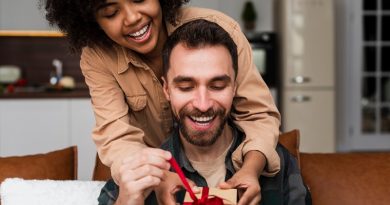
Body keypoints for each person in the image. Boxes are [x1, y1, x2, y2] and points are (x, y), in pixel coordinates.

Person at [41, 0, 281, 203]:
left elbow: (258, 115)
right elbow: (116, 136)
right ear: (93, 22)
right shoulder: (97, 56)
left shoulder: (219, 30)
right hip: (158, 181)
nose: (133, 18)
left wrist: (250, 169)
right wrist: (162, 177)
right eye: (112, 12)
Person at [98, 19, 311, 205]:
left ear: (234, 87)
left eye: (217, 86)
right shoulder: (141, 173)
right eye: (186, 87)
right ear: (167, 89)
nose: (202, 104)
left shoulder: (278, 165)